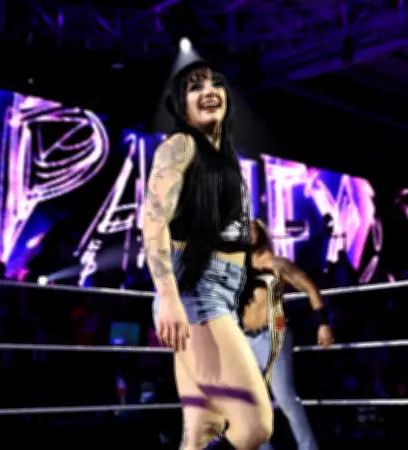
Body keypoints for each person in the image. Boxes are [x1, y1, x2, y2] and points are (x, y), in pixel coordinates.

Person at [143, 60, 272, 449]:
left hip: (215, 294)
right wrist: (168, 296)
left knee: (201, 432)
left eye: (216, 83)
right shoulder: (180, 145)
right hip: (195, 293)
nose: (210, 91)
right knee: (254, 426)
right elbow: (153, 220)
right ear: (180, 106)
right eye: (195, 87)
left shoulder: (222, 157)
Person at [201, 219, 335, 449]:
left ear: (262, 233)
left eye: (253, 229)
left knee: (285, 399)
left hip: (274, 334)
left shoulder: (277, 264)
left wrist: (322, 324)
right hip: (246, 339)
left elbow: (310, 288)